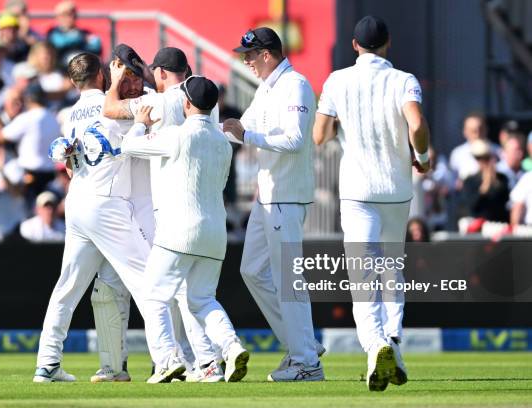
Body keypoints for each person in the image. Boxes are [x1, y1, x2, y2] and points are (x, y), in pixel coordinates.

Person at [313, 16, 430, 391]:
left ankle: (375, 343)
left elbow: (319, 136)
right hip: (395, 189)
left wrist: (335, 125)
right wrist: (423, 156)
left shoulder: (337, 80)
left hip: (357, 191)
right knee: (392, 270)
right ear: (388, 43)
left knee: (363, 273)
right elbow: (416, 125)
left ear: (354, 45)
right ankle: (392, 342)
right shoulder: (403, 80)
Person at [33, 52, 154, 383]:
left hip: (77, 201)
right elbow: (141, 115)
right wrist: (121, 83)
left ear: (73, 82)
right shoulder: (113, 103)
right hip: (109, 202)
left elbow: (69, 165)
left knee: (67, 289)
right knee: (150, 282)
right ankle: (171, 360)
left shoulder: (69, 114)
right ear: (102, 76)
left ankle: (47, 364)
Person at [105, 46, 224, 382]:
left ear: (159, 73)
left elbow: (110, 109)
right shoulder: (204, 104)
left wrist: (116, 81)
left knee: (158, 294)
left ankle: (171, 360)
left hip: (169, 213)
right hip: (206, 210)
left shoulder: (156, 102)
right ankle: (209, 360)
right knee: (194, 297)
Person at [119, 75, 249, 383]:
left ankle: (166, 360)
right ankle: (230, 349)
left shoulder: (177, 134)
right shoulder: (223, 141)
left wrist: (139, 122)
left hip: (179, 229)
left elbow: (129, 146)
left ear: (186, 103)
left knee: (153, 296)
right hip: (216, 233)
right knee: (203, 299)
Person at [223, 26, 323, 382]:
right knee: (251, 270)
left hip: (286, 195)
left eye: (249, 55)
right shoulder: (266, 88)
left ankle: (306, 362)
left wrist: (246, 136)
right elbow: (237, 129)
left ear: (267, 54)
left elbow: (295, 140)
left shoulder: (295, 84)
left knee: (288, 279)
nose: (246, 61)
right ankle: (304, 343)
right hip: (267, 198)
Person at [0, 82, 60, 205]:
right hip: (51, 174)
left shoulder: (28, 117)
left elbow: (1, 136)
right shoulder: (53, 118)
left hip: (30, 176)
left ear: (28, 98)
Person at [460, 139, 510, 225]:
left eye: (487, 158)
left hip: (499, 224)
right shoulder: (470, 180)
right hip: (478, 226)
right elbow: (472, 205)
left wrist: (495, 182)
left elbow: (505, 202)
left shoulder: (502, 178)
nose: (485, 162)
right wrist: (485, 186)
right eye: (480, 158)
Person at [46, 1, 101, 70]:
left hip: (84, 70)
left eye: (72, 13)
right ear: (58, 17)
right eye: (65, 14)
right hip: (61, 71)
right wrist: (82, 39)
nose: (70, 17)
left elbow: (96, 46)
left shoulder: (85, 32)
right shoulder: (53, 32)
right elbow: (59, 43)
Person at [449, 112, 500, 184]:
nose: (478, 134)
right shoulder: (457, 154)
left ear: (486, 129)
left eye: (481, 130)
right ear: (465, 132)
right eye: (473, 131)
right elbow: (452, 181)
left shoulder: (497, 151)